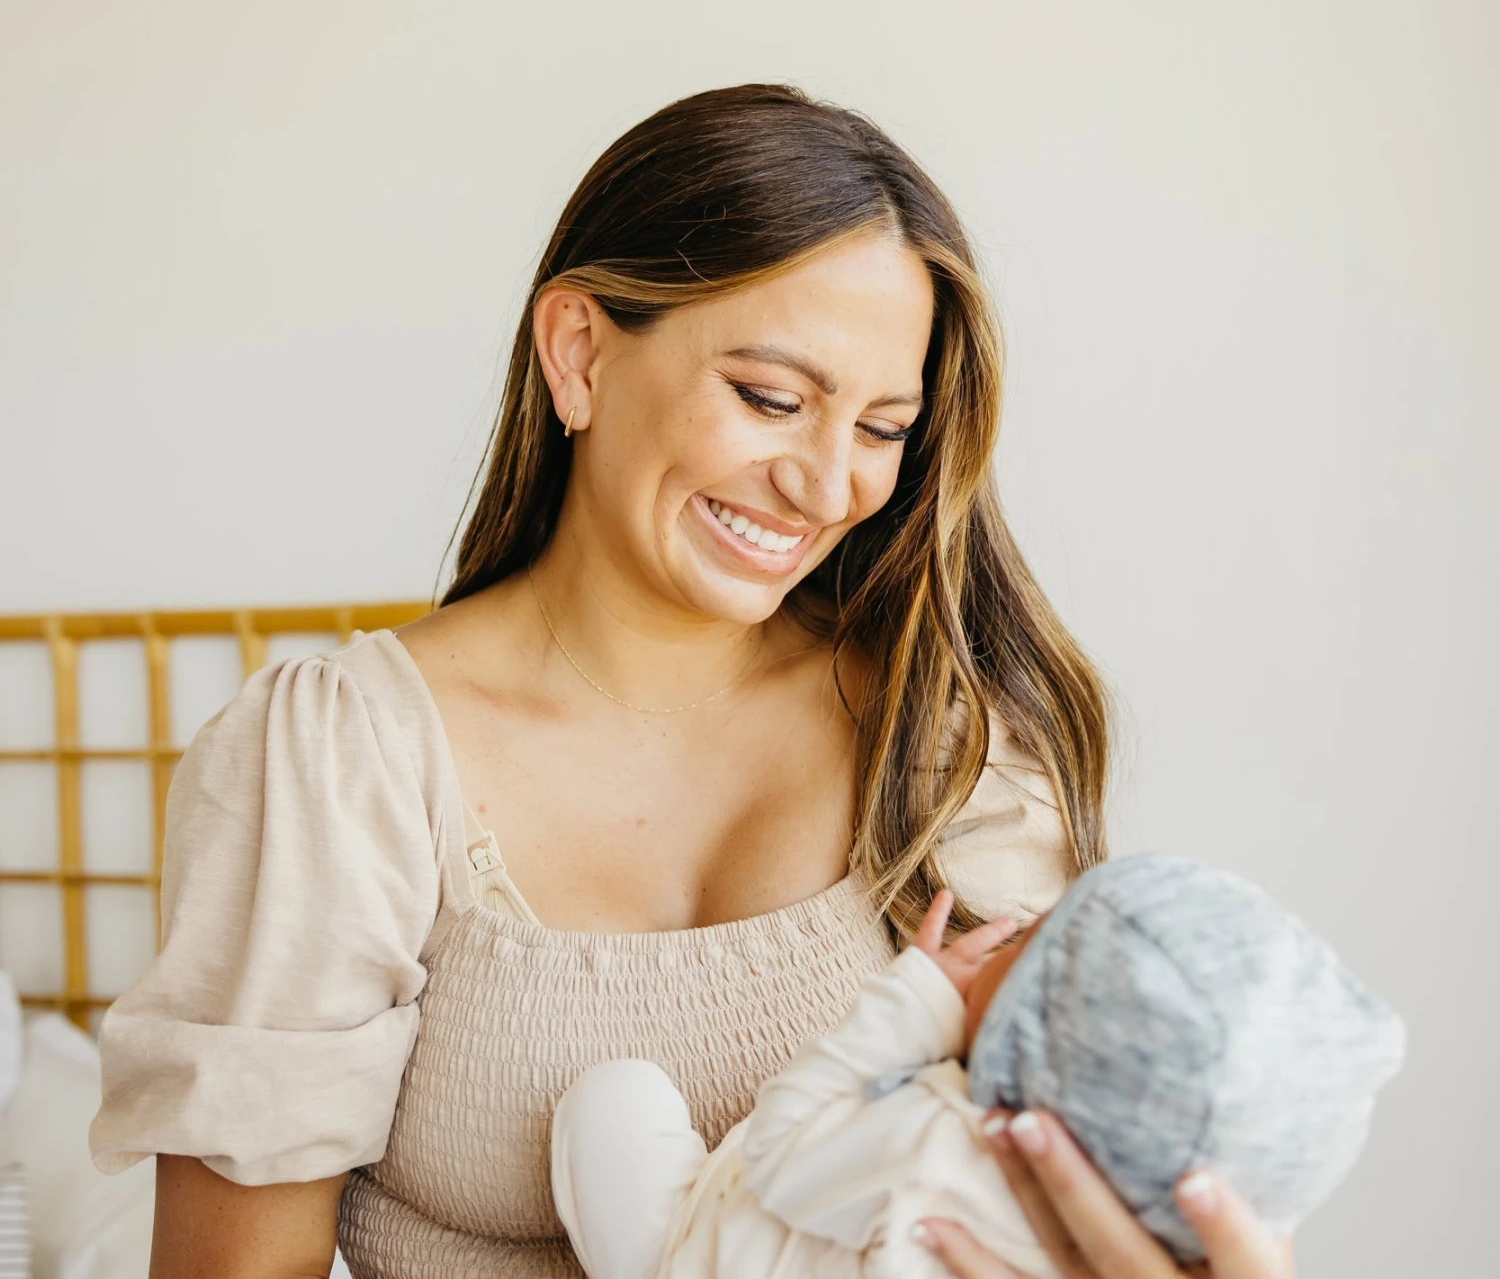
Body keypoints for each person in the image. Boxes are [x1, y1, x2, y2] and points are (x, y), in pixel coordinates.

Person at [86, 83, 1288, 1279]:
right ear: (578, 354)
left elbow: (1092, 1197)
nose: (828, 485)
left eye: (882, 429)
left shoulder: (943, 741)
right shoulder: (343, 759)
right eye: (772, 399)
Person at [549, 856, 1403, 1279]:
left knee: (615, 1098)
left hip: (697, 1252)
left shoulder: (940, 1147)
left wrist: (918, 999)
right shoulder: (1081, 1247)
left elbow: (779, 1148)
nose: (1012, 928)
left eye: (1032, 941)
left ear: (1040, 1041)